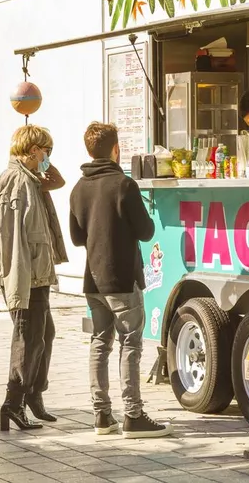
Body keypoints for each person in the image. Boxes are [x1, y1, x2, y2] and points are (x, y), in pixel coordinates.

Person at [69, 122, 173, 439]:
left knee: (100, 343)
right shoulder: (124, 185)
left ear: (89, 150)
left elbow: (76, 238)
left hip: (93, 281)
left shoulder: (78, 188)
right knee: (130, 344)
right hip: (122, 279)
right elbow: (145, 231)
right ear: (116, 149)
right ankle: (134, 415)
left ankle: (102, 416)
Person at [0, 124, 68, 432]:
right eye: (46, 152)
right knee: (27, 338)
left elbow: (57, 182)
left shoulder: (31, 179)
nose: (49, 157)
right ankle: (13, 401)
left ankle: (32, 393)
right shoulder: (17, 183)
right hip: (26, 274)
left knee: (44, 334)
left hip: (36, 273)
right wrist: (17, 278)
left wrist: (46, 164)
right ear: (33, 151)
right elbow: (10, 237)